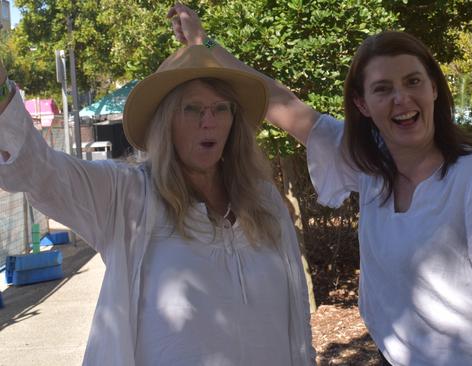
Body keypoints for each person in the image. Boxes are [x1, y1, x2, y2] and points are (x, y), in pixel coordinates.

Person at [170, 4, 472, 366]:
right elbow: (282, 104)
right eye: (383, 88)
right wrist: (206, 46)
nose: (402, 98)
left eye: (413, 81)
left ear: (434, 88)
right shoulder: (370, 166)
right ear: (363, 104)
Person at [0, 45, 315, 365]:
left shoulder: (263, 200)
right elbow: (37, 171)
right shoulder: (126, 196)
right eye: (192, 109)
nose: (209, 122)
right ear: (166, 122)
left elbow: (297, 312)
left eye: (221, 108)